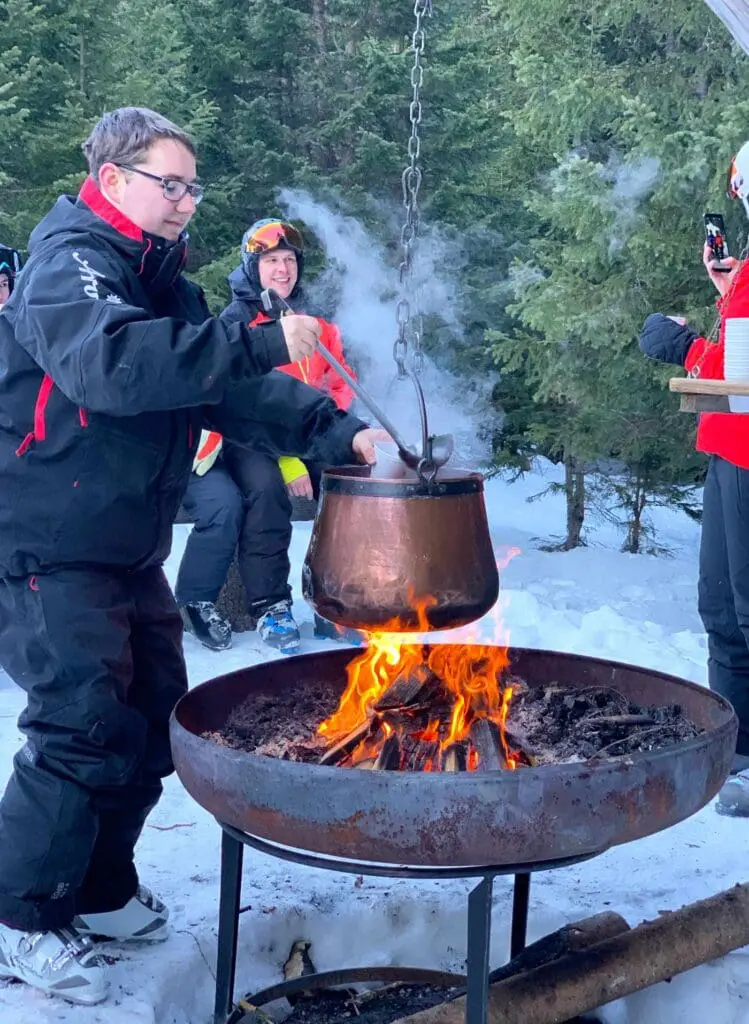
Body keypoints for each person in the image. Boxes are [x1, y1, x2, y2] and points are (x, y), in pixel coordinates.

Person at [0, 107, 381, 1006]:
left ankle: (96, 890)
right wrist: (252, 338)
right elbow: (115, 367)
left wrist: (343, 436)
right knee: (80, 724)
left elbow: (229, 393)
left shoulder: (159, 277)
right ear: (112, 177)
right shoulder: (70, 265)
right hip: (49, 542)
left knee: (146, 717)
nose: (185, 202)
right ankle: (21, 917)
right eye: (169, 183)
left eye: (192, 186)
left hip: (123, 542)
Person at [175, 218, 361, 653]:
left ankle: (333, 600)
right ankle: (270, 604)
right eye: (272, 260)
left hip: (306, 427)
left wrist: (333, 428)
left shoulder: (313, 318)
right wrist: (289, 459)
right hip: (249, 436)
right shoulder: (237, 320)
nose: (283, 269)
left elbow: (341, 378)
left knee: (347, 485)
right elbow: (240, 397)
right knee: (266, 490)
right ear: (252, 266)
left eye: (289, 260)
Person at [639, 139, 749, 816]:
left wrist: (681, 347)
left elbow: (742, 377)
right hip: (727, 450)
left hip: (745, 449)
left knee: (745, 608)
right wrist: (725, 289)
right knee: (720, 609)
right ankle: (735, 748)